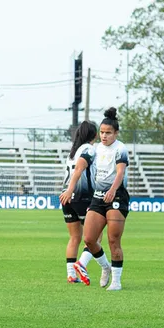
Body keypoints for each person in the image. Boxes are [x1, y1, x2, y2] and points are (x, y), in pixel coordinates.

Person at [83, 108, 129, 291]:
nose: (104, 136)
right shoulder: (96, 149)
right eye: (102, 132)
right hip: (98, 196)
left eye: (108, 133)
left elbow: (120, 172)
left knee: (113, 239)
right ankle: (105, 267)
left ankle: (116, 281)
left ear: (116, 133)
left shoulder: (120, 148)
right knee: (88, 239)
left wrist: (112, 189)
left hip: (116, 196)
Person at [59, 121, 104, 285]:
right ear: (94, 135)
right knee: (96, 236)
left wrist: (67, 191)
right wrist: (71, 190)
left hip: (66, 198)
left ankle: (71, 274)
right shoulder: (88, 149)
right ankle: (81, 264)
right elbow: (79, 169)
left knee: (74, 237)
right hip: (81, 196)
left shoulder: (73, 152)